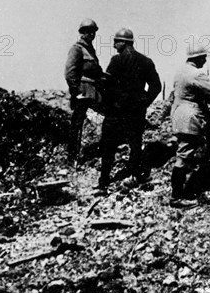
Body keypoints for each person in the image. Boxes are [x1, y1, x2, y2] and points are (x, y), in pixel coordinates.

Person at [96, 28, 161, 192]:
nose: (114, 45)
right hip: (135, 111)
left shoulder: (116, 61)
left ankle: (104, 182)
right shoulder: (146, 61)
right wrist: (143, 102)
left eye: (116, 42)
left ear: (124, 42)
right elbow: (156, 86)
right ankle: (133, 176)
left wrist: (109, 101)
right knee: (135, 143)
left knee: (108, 145)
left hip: (116, 111)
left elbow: (107, 85)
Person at [170, 44, 210, 208]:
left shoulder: (180, 72)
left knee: (209, 134)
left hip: (178, 114)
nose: (205, 60)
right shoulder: (196, 74)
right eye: (204, 57)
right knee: (184, 155)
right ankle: (177, 198)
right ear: (198, 58)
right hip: (190, 117)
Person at [64, 18, 104, 162]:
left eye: (93, 32)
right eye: (88, 32)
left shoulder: (90, 50)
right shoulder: (77, 49)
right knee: (77, 125)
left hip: (93, 93)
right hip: (82, 93)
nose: (91, 35)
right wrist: (76, 92)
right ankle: (72, 157)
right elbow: (70, 73)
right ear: (82, 33)